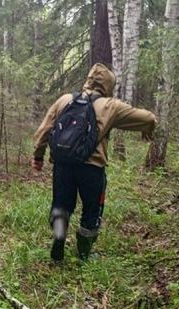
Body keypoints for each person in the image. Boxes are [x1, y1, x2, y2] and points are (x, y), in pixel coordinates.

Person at [31, 63, 157, 263]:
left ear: (88, 79)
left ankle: (58, 244)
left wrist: (38, 156)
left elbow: (44, 129)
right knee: (92, 210)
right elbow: (149, 119)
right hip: (92, 169)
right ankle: (83, 255)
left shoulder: (64, 99)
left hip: (63, 165)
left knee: (61, 206)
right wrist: (147, 132)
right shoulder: (110, 106)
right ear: (108, 85)